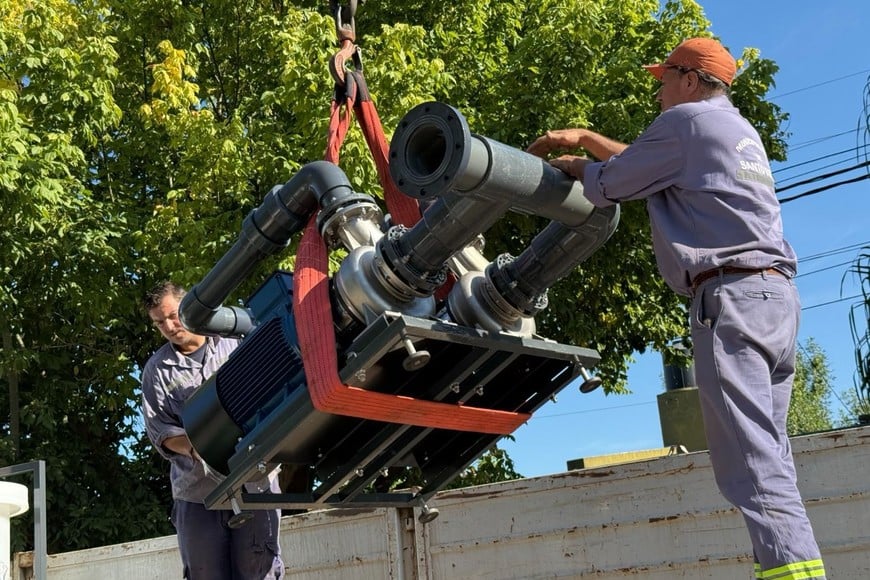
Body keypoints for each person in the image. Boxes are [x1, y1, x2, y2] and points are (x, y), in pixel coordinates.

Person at [527, 37, 825, 580]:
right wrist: (588, 137)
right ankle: (782, 567)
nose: (658, 93)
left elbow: (615, 182)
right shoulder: (735, 131)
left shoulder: (685, 122)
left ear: (689, 80)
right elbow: (648, 161)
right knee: (770, 456)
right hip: (776, 301)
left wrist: (573, 163)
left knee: (750, 464)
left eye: (663, 80)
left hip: (731, 301)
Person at [141, 281, 284, 580]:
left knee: (260, 571)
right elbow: (160, 431)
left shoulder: (236, 340)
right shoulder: (157, 370)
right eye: (159, 323)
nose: (169, 327)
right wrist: (197, 447)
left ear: (189, 308)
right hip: (198, 493)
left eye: (172, 316)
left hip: (256, 482)